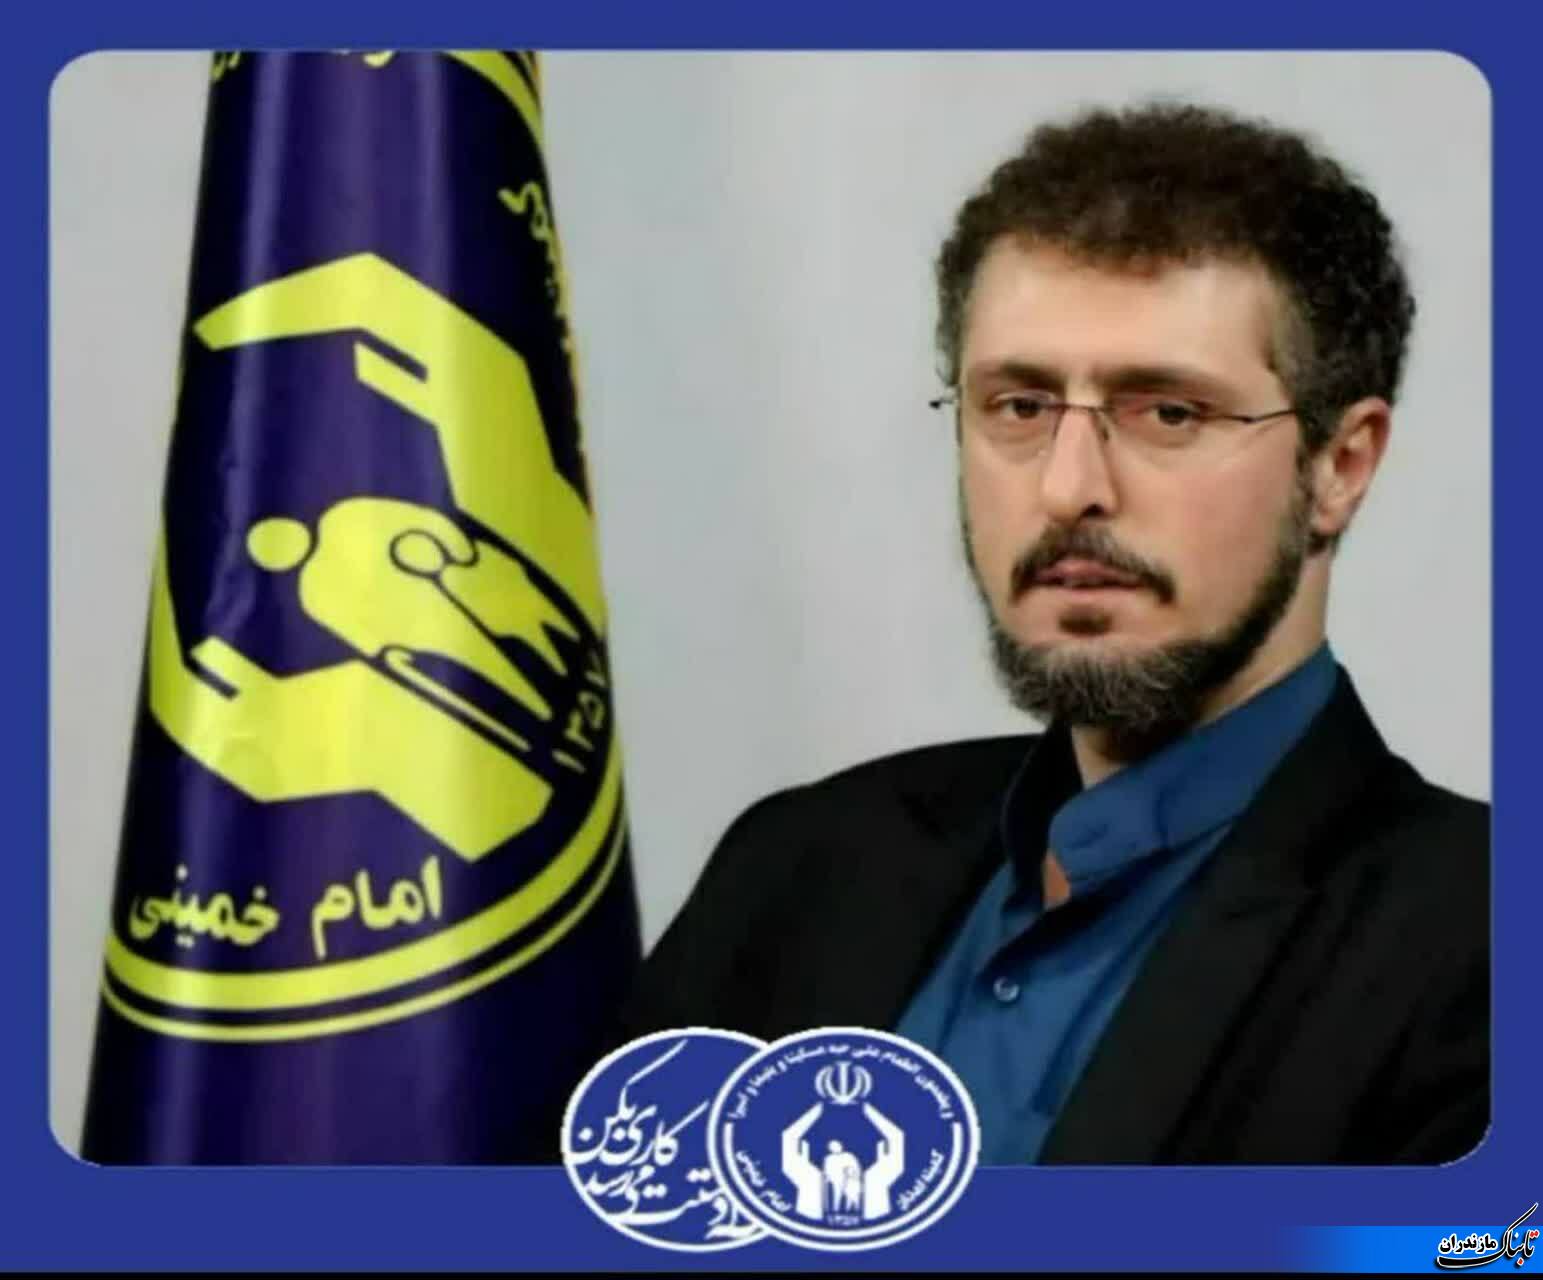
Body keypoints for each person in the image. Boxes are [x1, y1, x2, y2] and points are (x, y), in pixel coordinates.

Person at [612, 101, 1489, 1165]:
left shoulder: (1481, 948)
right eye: (1020, 406)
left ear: (1340, 465)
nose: (1068, 487)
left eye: (1168, 412)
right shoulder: (798, 870)